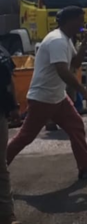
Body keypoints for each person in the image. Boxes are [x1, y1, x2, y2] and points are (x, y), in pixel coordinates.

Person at [7, 6, 87, 180]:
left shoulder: (67, 39)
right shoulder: (57, 41)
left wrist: (84, 45)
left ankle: (86, 166)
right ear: (70, 21)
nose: (83, 23)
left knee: (76, 126)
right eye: (80, 19)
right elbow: (63, 70)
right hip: (43, 98)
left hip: (57, 96)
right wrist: (84, 93)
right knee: (25, 136)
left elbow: (75, 64)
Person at [0, 39, 17, 224]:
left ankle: (6, 215)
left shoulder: (1, 51)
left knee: (0, 167)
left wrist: (14, 106)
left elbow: (10, 78)